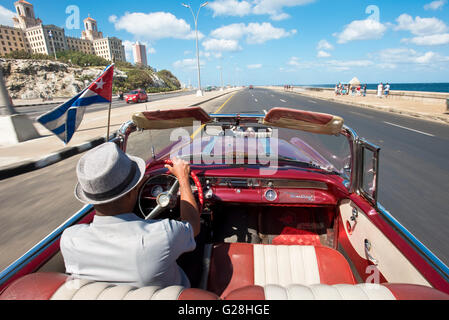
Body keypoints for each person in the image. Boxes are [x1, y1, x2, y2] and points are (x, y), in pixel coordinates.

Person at [60, 142, 200, 288]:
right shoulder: (164, 234)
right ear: (133, 192)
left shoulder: (70, 240)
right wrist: (183, 179)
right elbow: (193, 225)